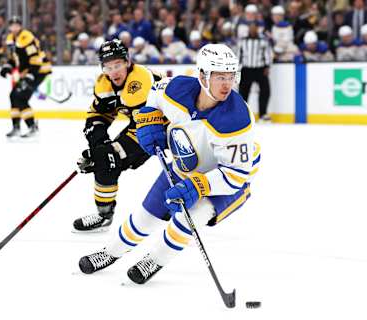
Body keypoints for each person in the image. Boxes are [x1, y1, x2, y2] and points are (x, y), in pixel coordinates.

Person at [78, 44, 261, 285]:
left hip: (225, 180)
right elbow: (154, 95)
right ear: (203, 76)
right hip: (185, 164)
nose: (227, 84)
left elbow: (236, 174)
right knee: (146, 215)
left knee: (188, 218)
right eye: (220, 77)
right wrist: (148, 119)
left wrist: (200, 185)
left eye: (230, 76)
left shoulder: (237, 118)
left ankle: (154, 259)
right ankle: (111, 252)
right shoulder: (177, 88)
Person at [72, 39, 163, 232]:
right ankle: (104, 214)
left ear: (128, 62)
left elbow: (146, 127)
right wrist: (99, 145)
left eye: (118, 64)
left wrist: (104, 152)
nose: (114, 71)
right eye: (108, 66)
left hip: (164, 125)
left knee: (107, 157)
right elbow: (97, 115)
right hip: (143, 124)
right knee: (105, 157)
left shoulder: (139, 81)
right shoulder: (104, 84)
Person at [0, 16, 52, 139]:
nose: (14, 27)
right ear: (9, 27)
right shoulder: (10, 39)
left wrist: (31, 74)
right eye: (12, 25)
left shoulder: (26, 37)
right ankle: (16, 127)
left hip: (39, 70)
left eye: (17, 24)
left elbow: (34, 56)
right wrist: (7, 67)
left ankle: (32, 127)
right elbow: (14, 58)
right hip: (29, 71)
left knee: (20, 97)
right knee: (14, 96)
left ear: (20, 26)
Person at [237, 22, 272, 122]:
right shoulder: (242, 41)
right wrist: (238, 69)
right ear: (248, 29)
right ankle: (243, 115)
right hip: (246, 69)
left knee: (265, 91)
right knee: (243, 93)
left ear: (257, 29)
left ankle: (263, 114)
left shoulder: (263, 40)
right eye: (251, 28)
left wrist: (267, 66)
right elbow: (239, 54)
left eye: (254, 28)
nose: (252, 30)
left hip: (260, 69)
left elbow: (267, 54)